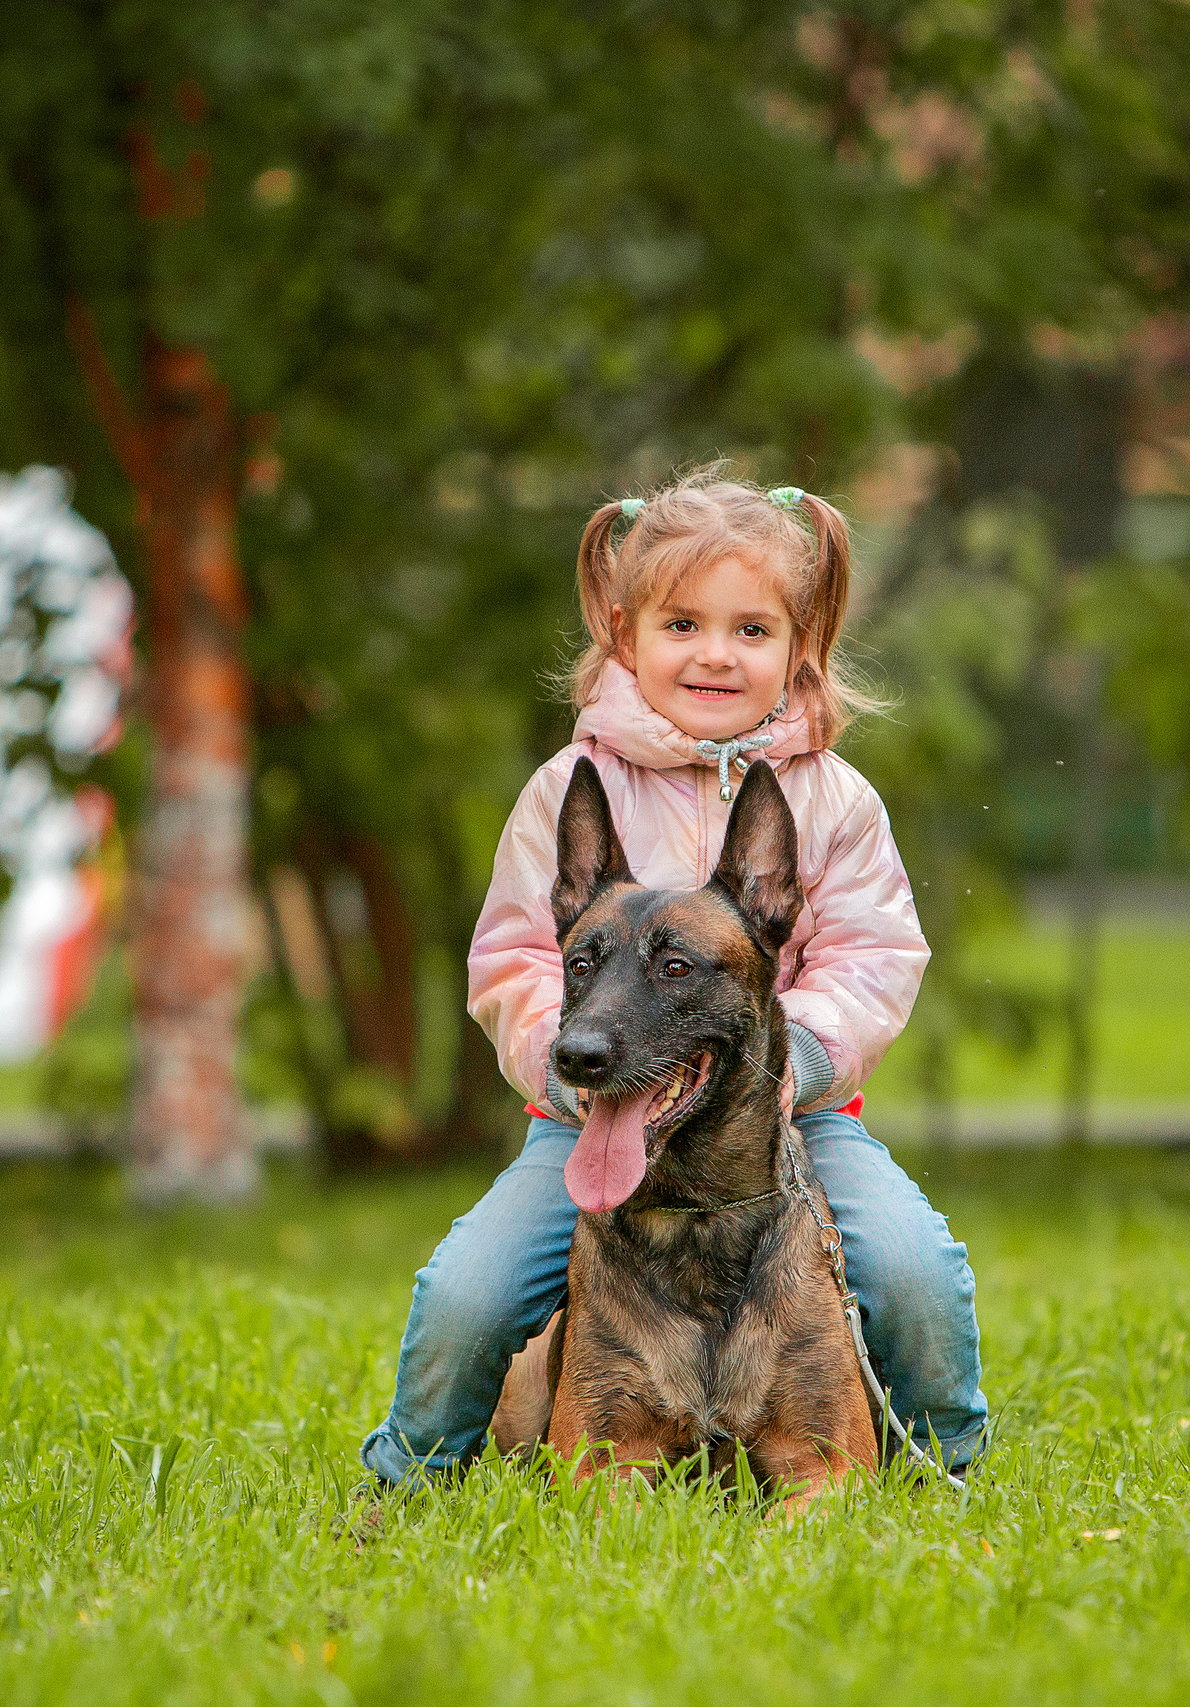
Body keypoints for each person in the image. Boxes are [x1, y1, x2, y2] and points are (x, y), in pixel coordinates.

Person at [358, 470, 988, 1483]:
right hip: (588, 1116)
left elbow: (873, 957)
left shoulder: (833, 797)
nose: (714, 653)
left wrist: (803, 1063)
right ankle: (409, 1478)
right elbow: (515, 955)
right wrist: (555, 1067)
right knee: (468, 1294)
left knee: (915, 1272)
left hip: (790, 1116)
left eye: (750, 630)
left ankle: (942, 1470)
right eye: (682, 622)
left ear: (799, 644)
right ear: (623, 630)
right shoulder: (569, 787)